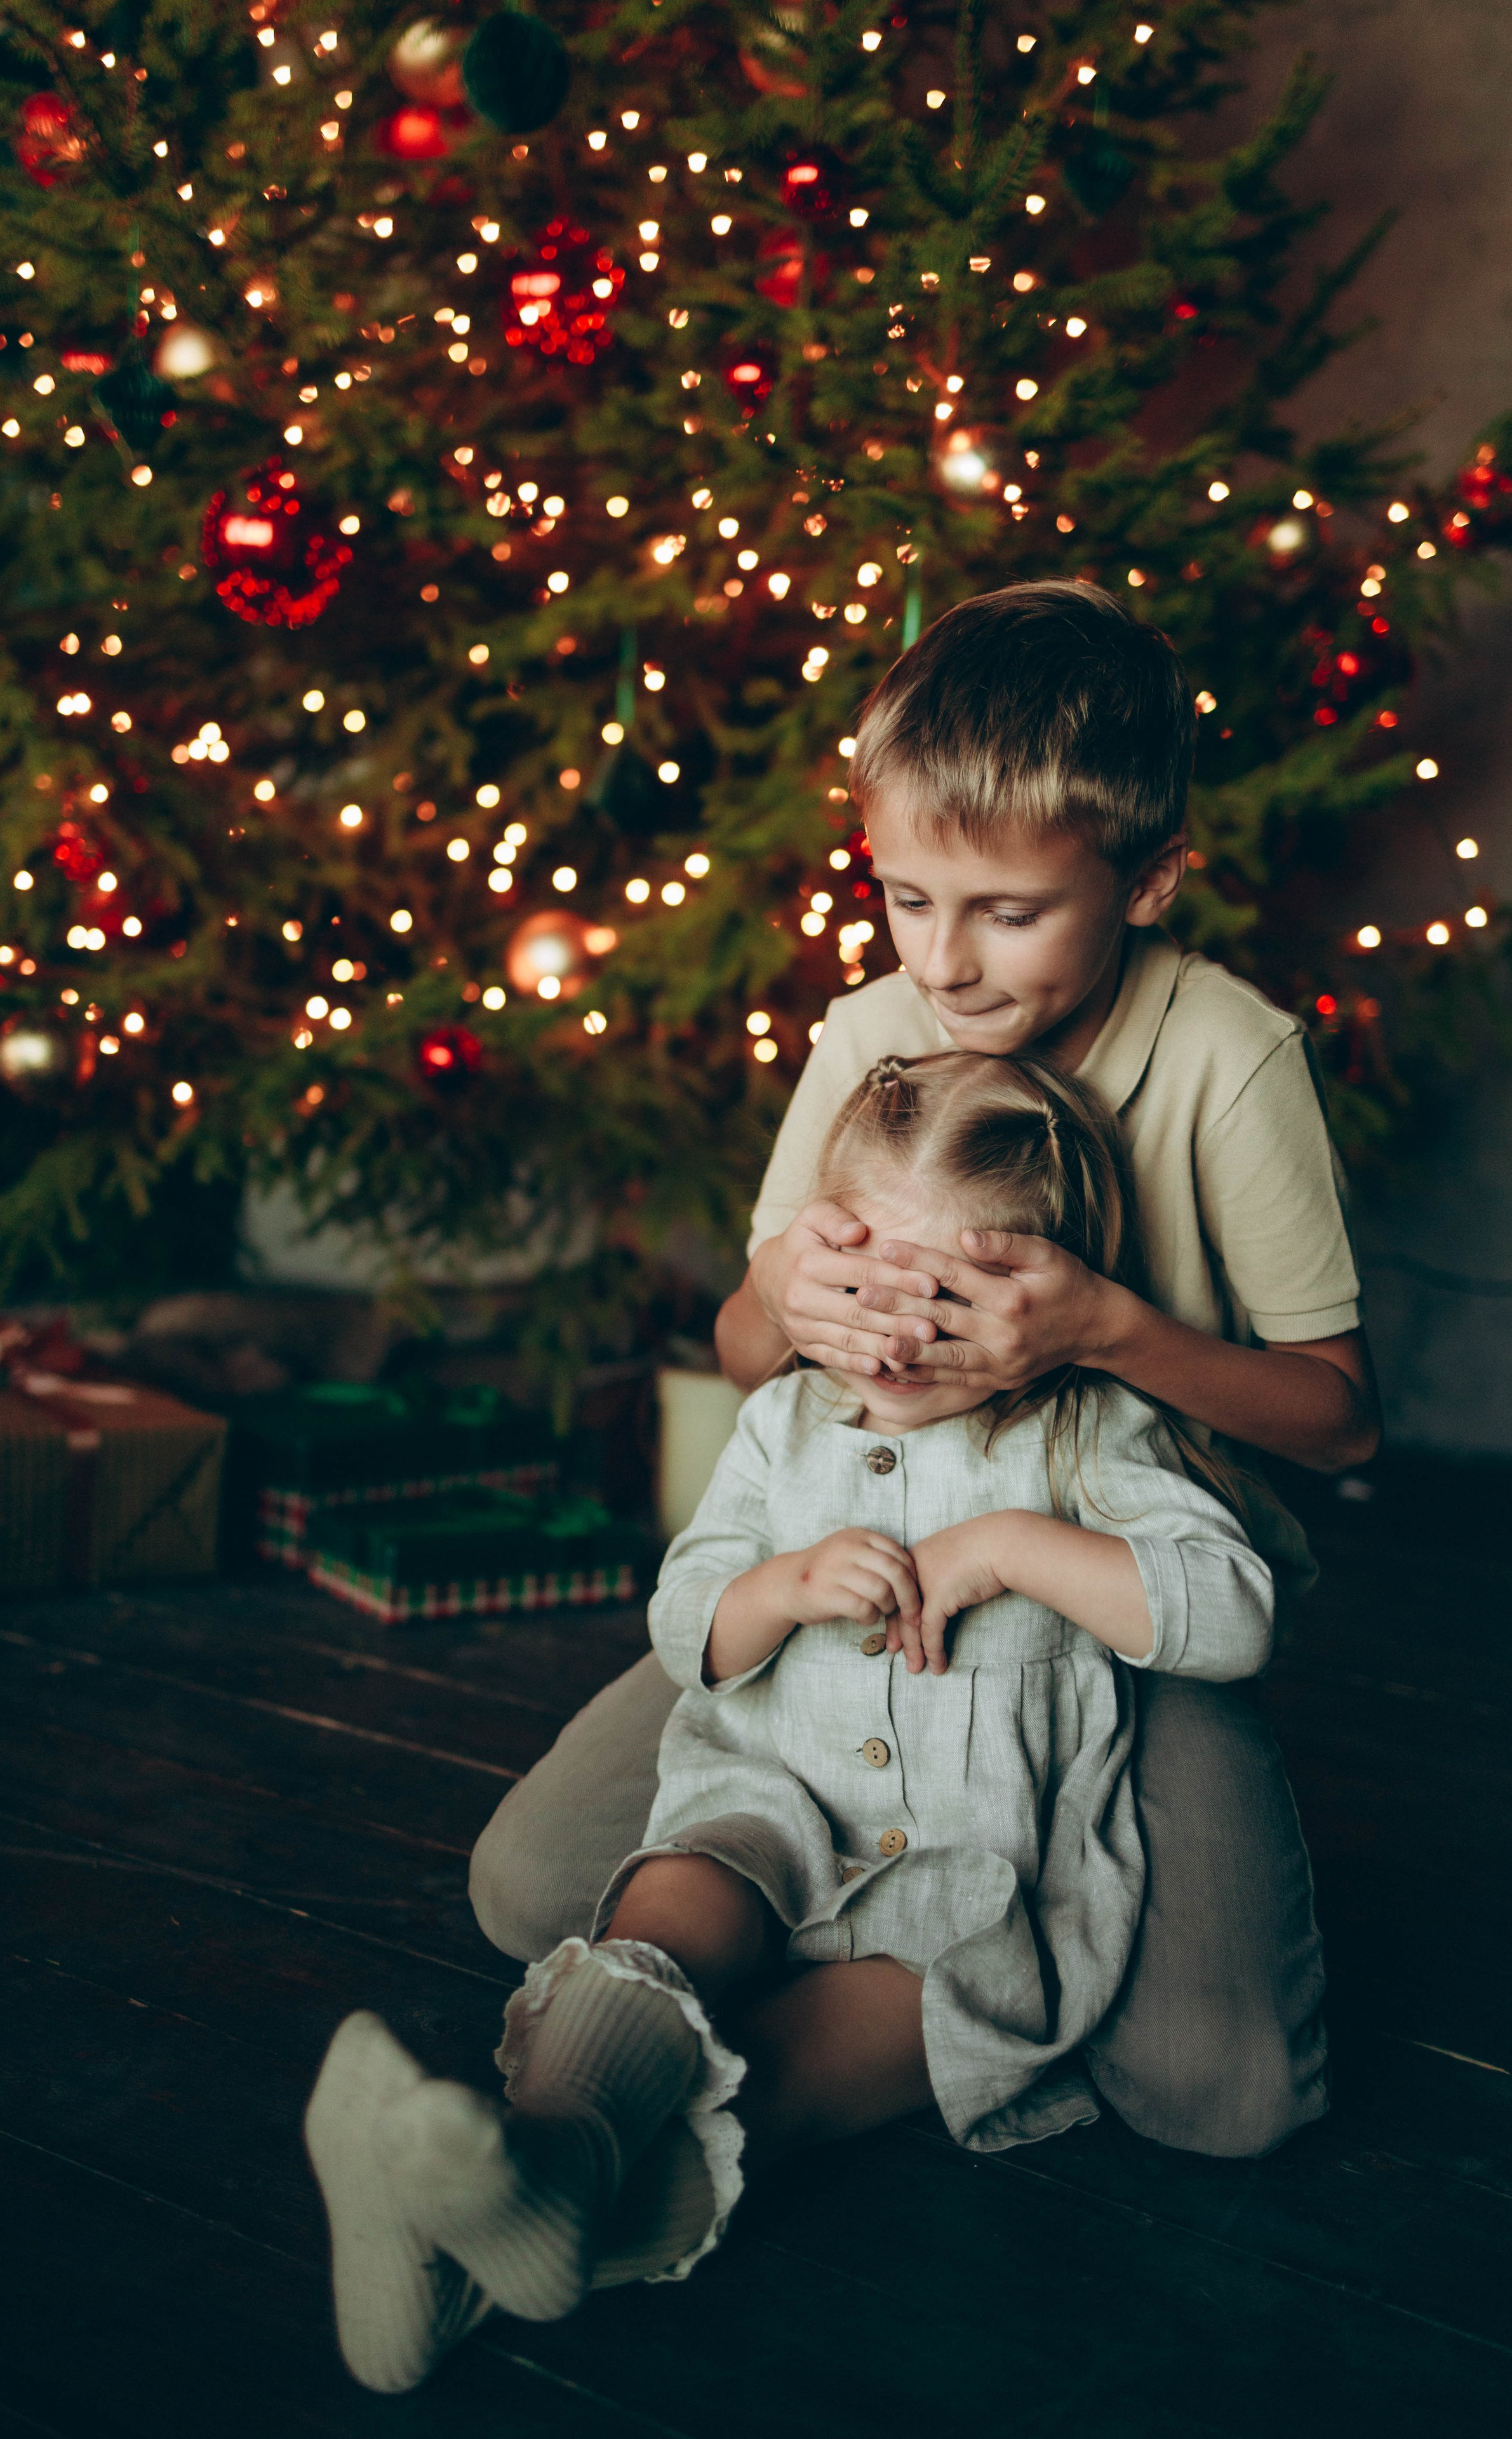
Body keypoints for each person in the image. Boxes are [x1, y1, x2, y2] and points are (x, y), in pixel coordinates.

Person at [469, 580, 1377, 2158]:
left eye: (1003, 913)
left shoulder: (1232, 1060)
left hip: (1114, 1597)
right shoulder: (869, 1029)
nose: (942, 965)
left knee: (1222, 2101)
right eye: (903, 897)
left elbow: (1338, 1417)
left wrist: (1101, 1329)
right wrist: (781, 1294)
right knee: (525, 1892)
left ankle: (975, 1963)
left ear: (1148, 879)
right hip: (861, 1575)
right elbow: (747, 1355)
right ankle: (861, 1926)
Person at [305, 1049, 1300, 2392]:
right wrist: (773, 1591)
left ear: (1033, 1300)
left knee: (774, 2084)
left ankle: (488, 2255)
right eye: (863, 1296)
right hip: (765, 1805)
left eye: (942, 1308)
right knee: (668, 1908)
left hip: (972, 1903)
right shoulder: (784, 1418)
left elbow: (1230, 1613)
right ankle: (539, 2145)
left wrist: (1012, 1545)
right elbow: (686, 1617)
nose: (891, 1346)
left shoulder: (1083, 1433)